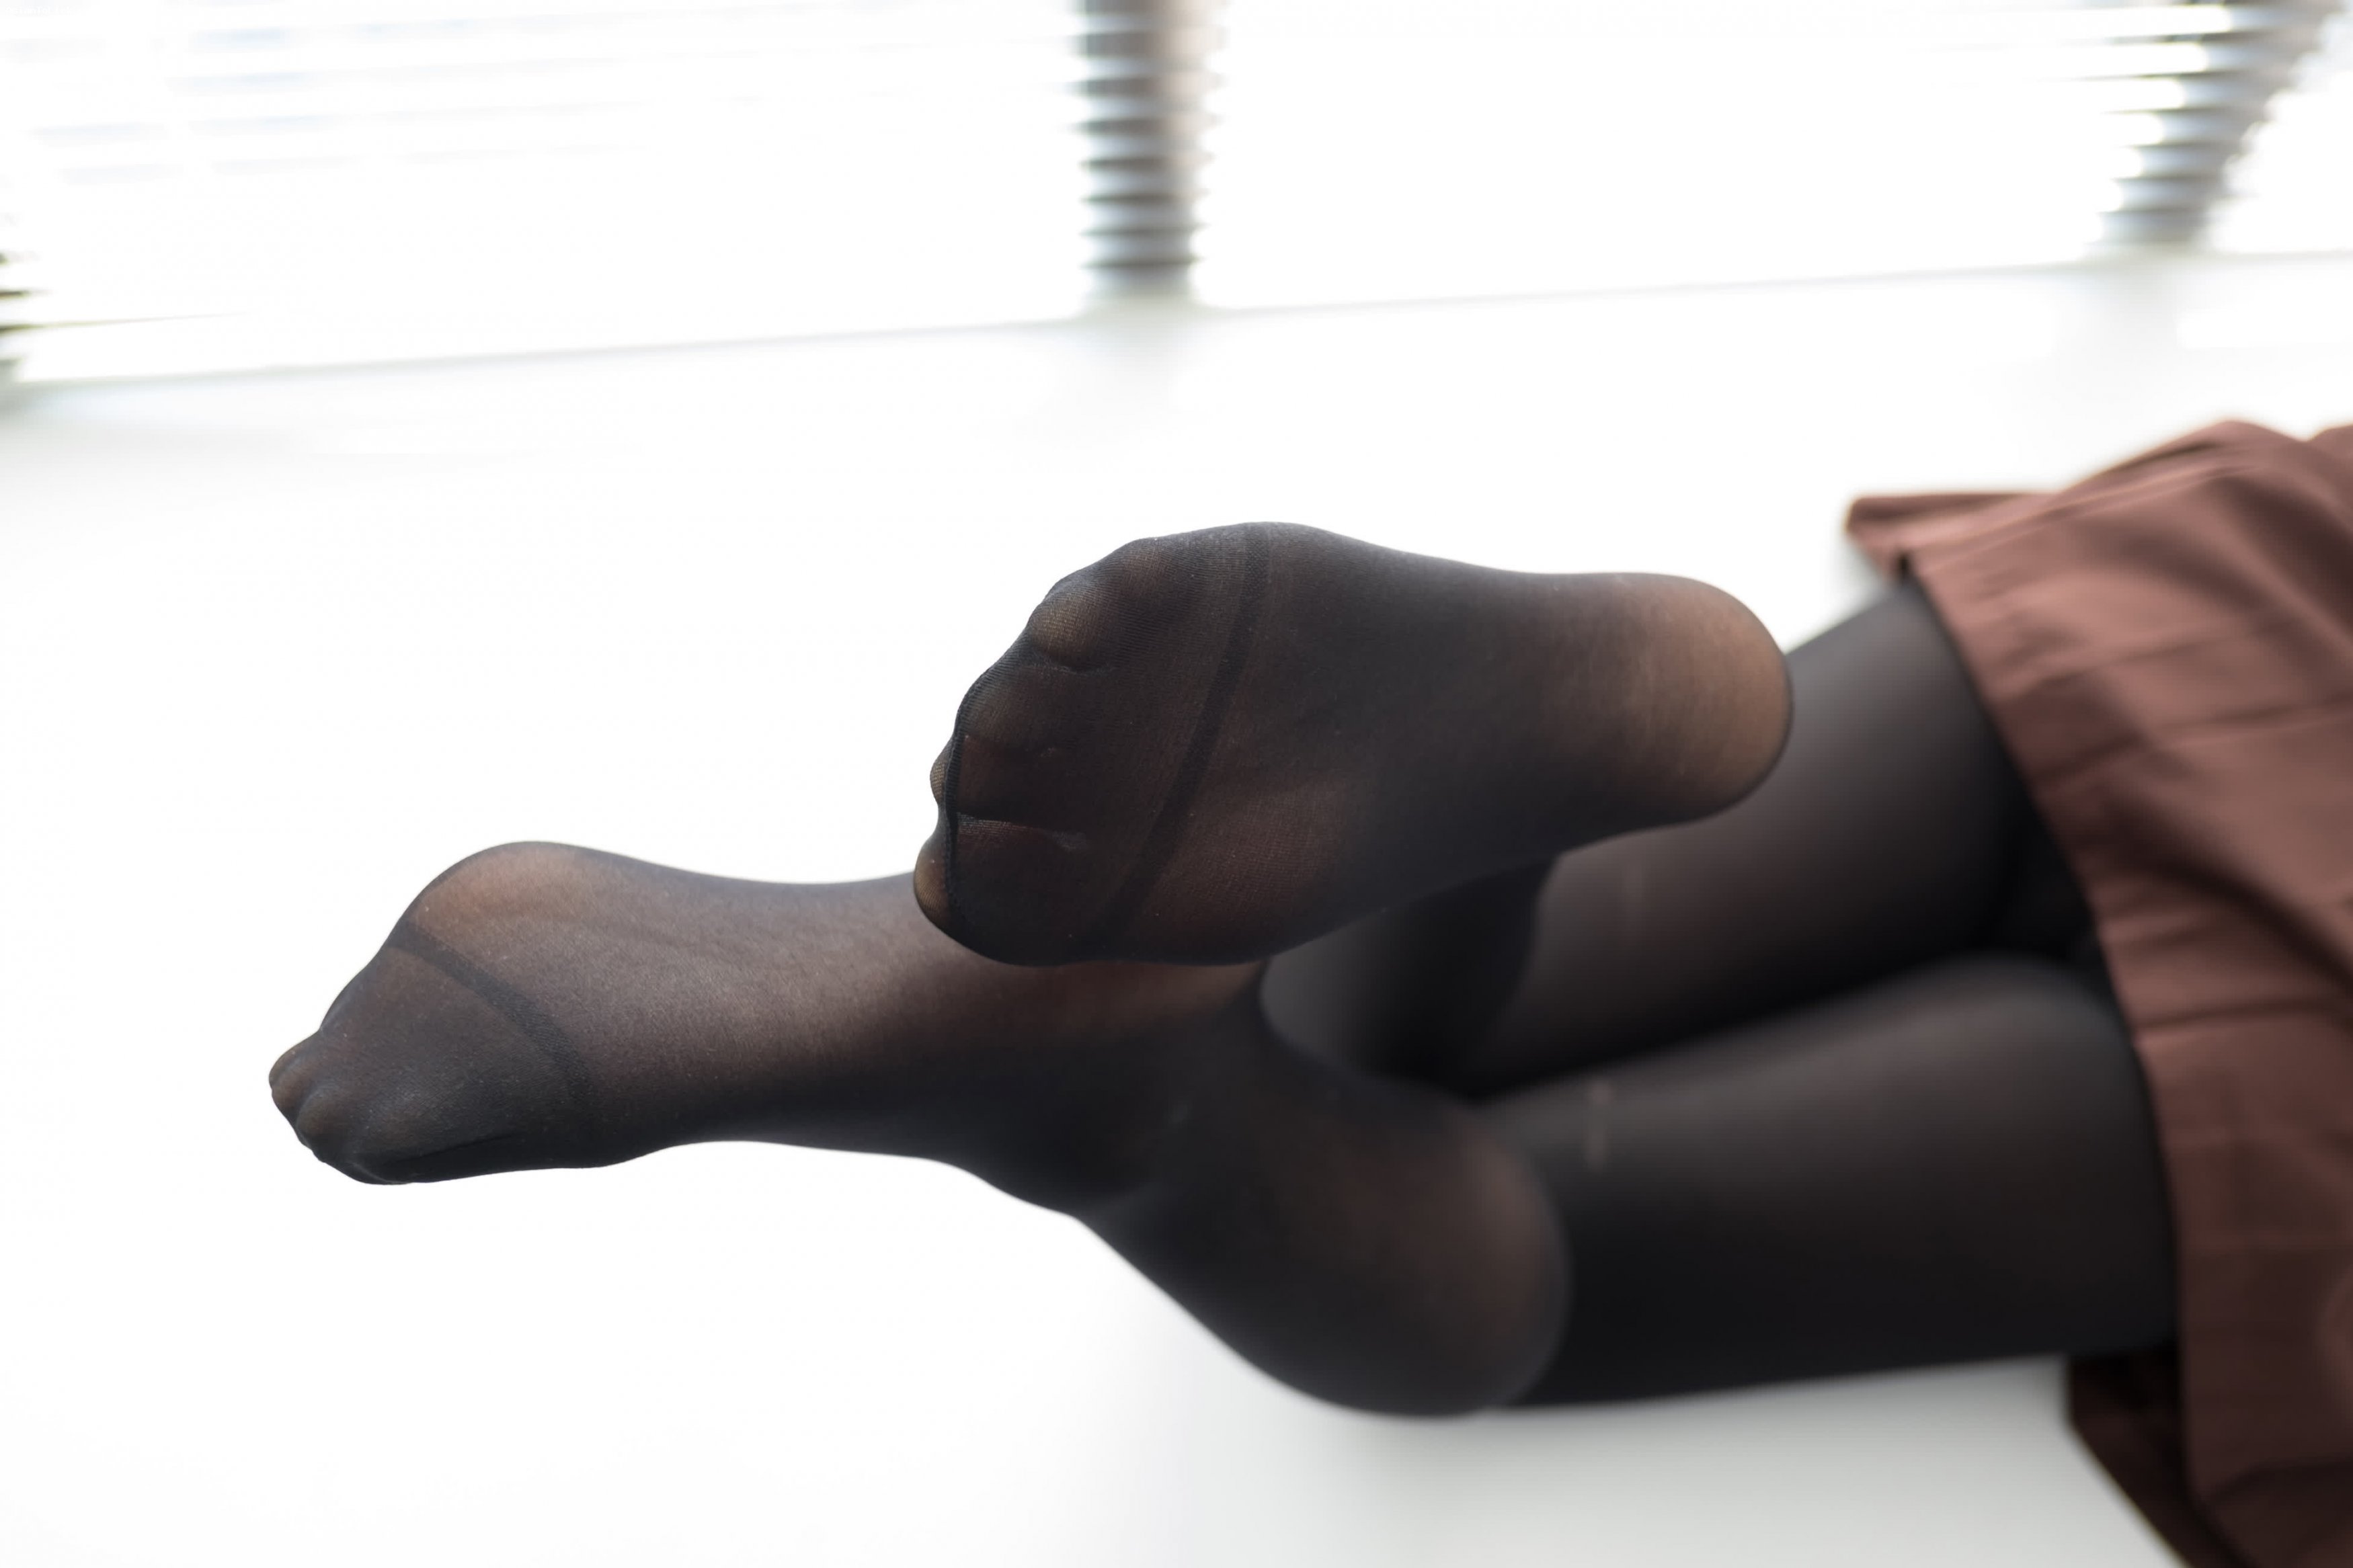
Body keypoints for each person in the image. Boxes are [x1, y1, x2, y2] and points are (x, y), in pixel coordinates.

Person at [270, 421, 2353, 1568]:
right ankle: (1129, 1117)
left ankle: (1547, 769)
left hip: (2264, 651)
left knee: (1388, 1024)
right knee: (1528, 1262)